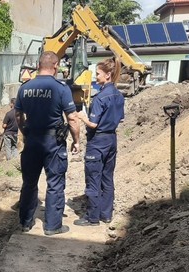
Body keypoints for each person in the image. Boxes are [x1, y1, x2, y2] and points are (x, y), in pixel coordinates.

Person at [14, 51, 80, 236]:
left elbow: (18, 115)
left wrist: (25, 131)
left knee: (29, 183)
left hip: (32, 140)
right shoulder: (61, 88)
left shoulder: (24, 88)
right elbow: (72, 119)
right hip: (53, 142)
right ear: (56, 66)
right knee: (55, 183)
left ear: (38, 65)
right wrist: (76, 141)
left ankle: (26, 223)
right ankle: (52, 226)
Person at [74, 57, 124, 226]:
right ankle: (106, 214)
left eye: (98, 74)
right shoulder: (118, 95)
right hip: (112, 139)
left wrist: (82, 117)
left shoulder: (101, 97)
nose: (96, 77)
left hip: (98, 141)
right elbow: (120, 118)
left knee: (93, 178)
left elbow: (93, 124)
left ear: (108, 75)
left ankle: (92, 217)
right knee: (107, 178)